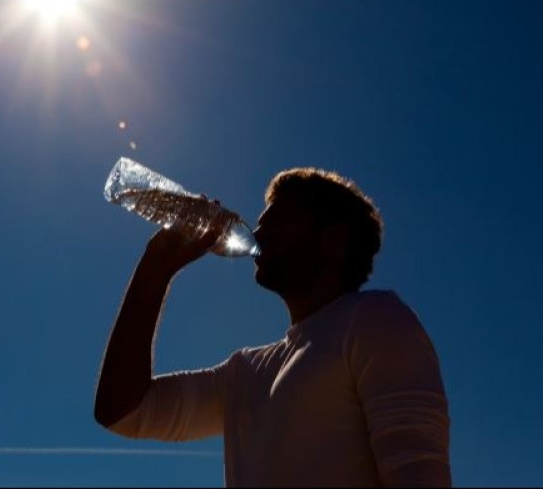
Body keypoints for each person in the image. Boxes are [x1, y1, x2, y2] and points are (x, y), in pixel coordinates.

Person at [94, 167, 451, 487]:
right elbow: (123, 411)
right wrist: (156, 266)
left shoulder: (375, 319)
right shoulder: (244, 372)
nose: (259, 231)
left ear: (334, 241)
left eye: (278, 220)